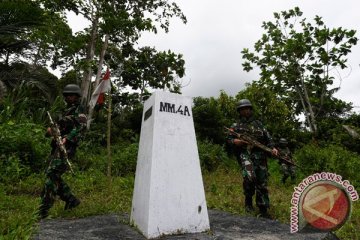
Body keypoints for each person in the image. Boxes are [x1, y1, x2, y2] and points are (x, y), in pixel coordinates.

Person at [38, 84, 87, 219]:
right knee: (53, 175)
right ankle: (71, 200)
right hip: (57, 147)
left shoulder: (79, 109)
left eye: (71, 95)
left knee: (52, 175)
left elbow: (82, 127)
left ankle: (43, 210)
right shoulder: (65, 110)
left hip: (67, 147)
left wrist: (68, 138)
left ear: (76, 96)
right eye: (66, 95)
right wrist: (50, 131)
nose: (68, 97)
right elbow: (57, 127)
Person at [227, 99, 278, 218]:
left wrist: (273, 148)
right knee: (249, 178)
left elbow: (268, 139)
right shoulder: (235, 126)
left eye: (247, 108)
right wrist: (235, 141)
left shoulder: (259, 124)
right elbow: (228, 140)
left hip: (260, 156)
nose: (245, 111)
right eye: (242, 109)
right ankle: (248, 202)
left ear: (250, 109)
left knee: (262, 181)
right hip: (245, 155)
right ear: (239, 111)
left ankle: (263, 208)